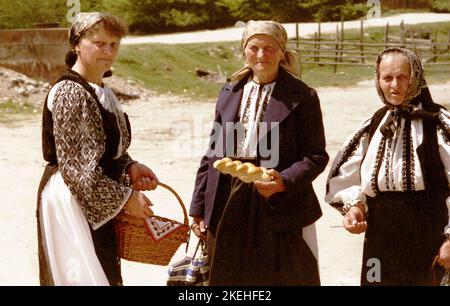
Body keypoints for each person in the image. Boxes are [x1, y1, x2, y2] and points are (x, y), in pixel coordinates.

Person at [189, 20, 328, 285]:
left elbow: (316, 156)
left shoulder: (302, 95)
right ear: (244, 51)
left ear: (282, 52)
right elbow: (212, 153)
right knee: (229, 274)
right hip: (228, 195)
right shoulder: (230, 93)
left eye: (269, 48)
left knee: (280, 276)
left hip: (277, 199)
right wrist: (198, 206)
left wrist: (283, 181)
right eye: (254, 48)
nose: (262, 55)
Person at [36, 12, 158, 286]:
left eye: (114, 44)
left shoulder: (102, 91)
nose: (108, 51)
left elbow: (102, 148)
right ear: (77, 44)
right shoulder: (71, 92)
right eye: (99, 43)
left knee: (103, 274)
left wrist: (129, 165)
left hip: (93, 195)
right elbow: (77, 170)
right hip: (72, 199)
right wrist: (125, 198)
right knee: (84, 278)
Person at [325, 47, 450, 286]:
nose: (395, 85)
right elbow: (345, 176)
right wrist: (355, 208)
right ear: (378, 80)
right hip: (381, 237)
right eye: (387, 78)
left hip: (429, 233)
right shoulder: (374, 124)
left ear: (417, 77)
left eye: (403, 77)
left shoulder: (438, 123)